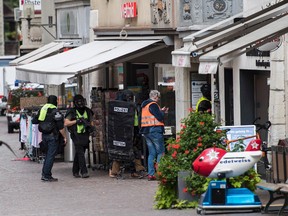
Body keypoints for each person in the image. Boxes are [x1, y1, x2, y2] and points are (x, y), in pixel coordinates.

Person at [109, 90, 147, 178]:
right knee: (131, 152)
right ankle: (135, 171)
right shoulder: (130, 106)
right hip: (129, 132)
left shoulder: (121, 106)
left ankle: (119, 171)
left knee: (123, 151)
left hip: (126, 132)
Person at [32, 95, 67, 182]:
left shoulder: (42, 109)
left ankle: (45, 174)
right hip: (52, 136)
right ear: (55, 102)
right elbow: (60, 127)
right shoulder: (55, 111)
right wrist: (65, 136)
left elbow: (34, 121)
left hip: (44, 136)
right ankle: (46, 175)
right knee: (50, 156)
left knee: (47, 155)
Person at [140, 90, 168, 181]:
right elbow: (159, 117)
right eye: (158, 97)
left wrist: (160, 111)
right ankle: (160, 172)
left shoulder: (145, 105)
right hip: (155, 130)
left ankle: (150, 174)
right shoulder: (153, 105)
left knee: (152, 153)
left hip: (146, 131)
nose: (158, 99)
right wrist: (163, 112)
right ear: (155, 97)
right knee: (161, 152)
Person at [64, 94, 94, 178]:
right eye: (79, 102)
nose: (81, 104)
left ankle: (75, 171)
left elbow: (91, 122)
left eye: (82, 101)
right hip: (75, 134)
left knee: (80, 152)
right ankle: (84, 171)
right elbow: (66, 123)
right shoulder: (72, 111)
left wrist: (90, 127)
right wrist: (76, 121)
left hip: (85, 134)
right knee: (80, 153)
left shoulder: (88, 111)